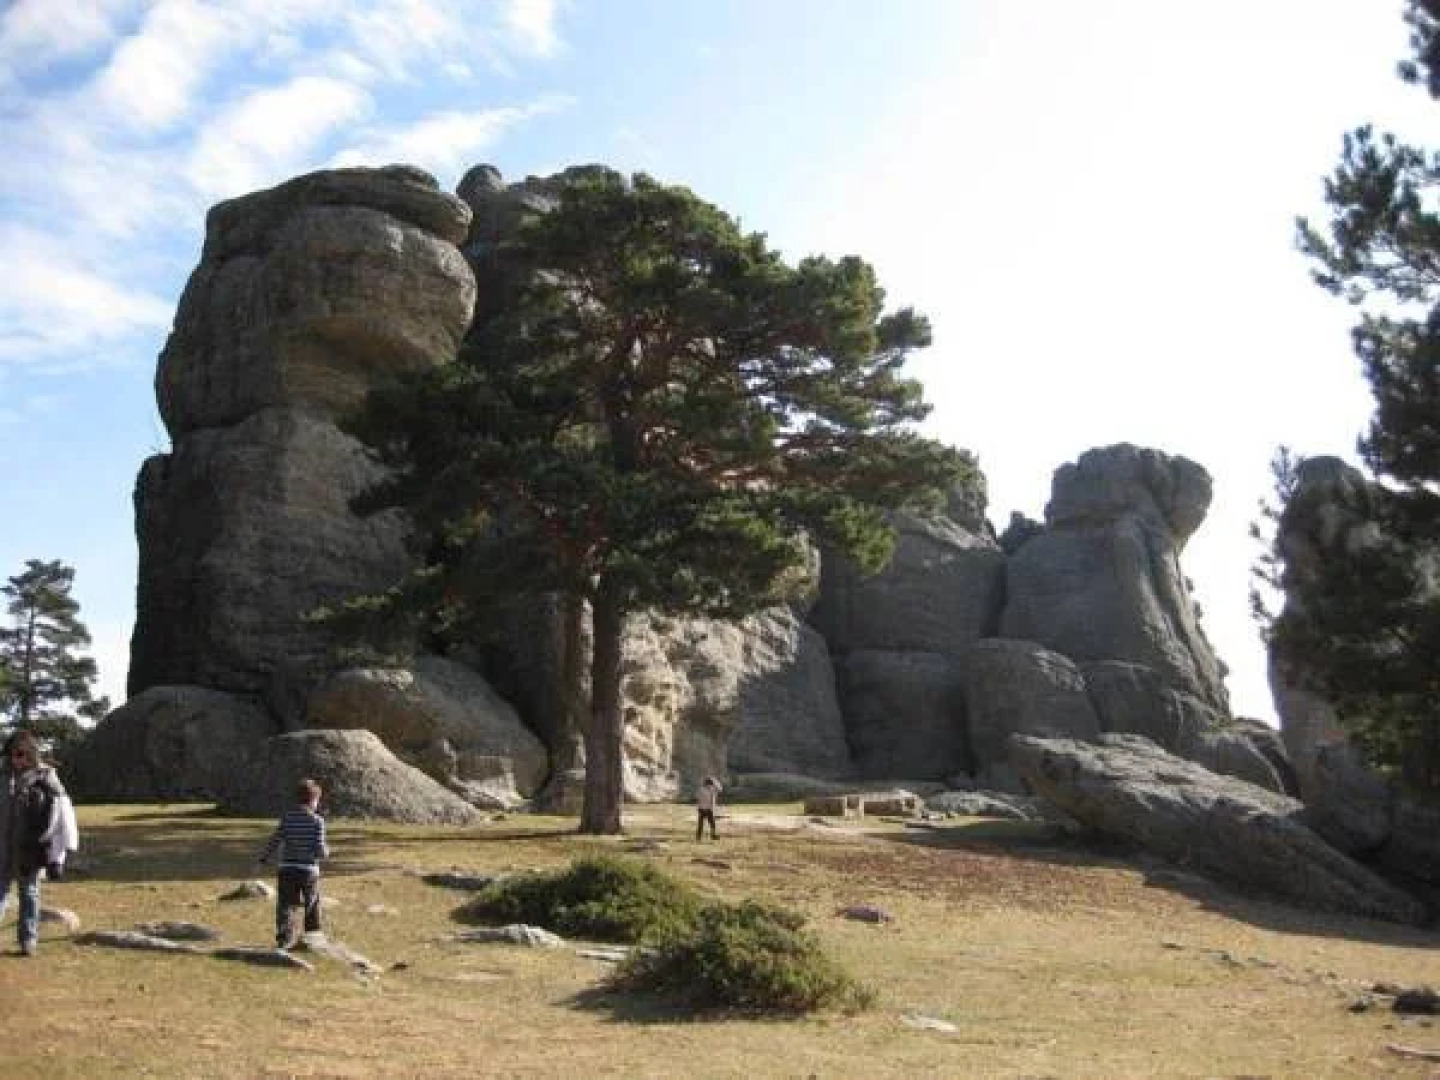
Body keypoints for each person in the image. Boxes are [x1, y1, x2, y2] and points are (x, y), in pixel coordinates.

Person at [0, 730, 67, 957]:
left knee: (29, 893)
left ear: (30, 753)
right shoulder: (2, 776)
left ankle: (28, 940)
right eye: (10, 755)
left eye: (19, 754)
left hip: (30, 848)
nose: (14, 759)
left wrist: (57, 856)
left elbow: (62, 816)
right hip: (3, 847)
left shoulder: (46, 777)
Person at [257, 777, 329, 950]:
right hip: (308, 870)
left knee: (285, 905)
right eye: (317, 801)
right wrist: (326, 852)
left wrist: (264, 858)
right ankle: (313, 935)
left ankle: (284, 938)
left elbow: (275, 839)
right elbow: (319, 849)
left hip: (287, 868)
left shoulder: (287, 818)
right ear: (313, 800)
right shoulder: (317, 822)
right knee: (311, 902)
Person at [695, 775, 721, 841]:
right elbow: (698, 798)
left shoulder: (710, 789)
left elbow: (720, 789)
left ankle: (712, 835)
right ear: (707, 784)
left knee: (711, 824)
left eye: (711, 784)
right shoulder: (703, 790)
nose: (711, 786)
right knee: (702, 824)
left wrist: (715, 781)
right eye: (710, 784)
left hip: (706, 808)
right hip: (704, 809)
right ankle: (699, 837)